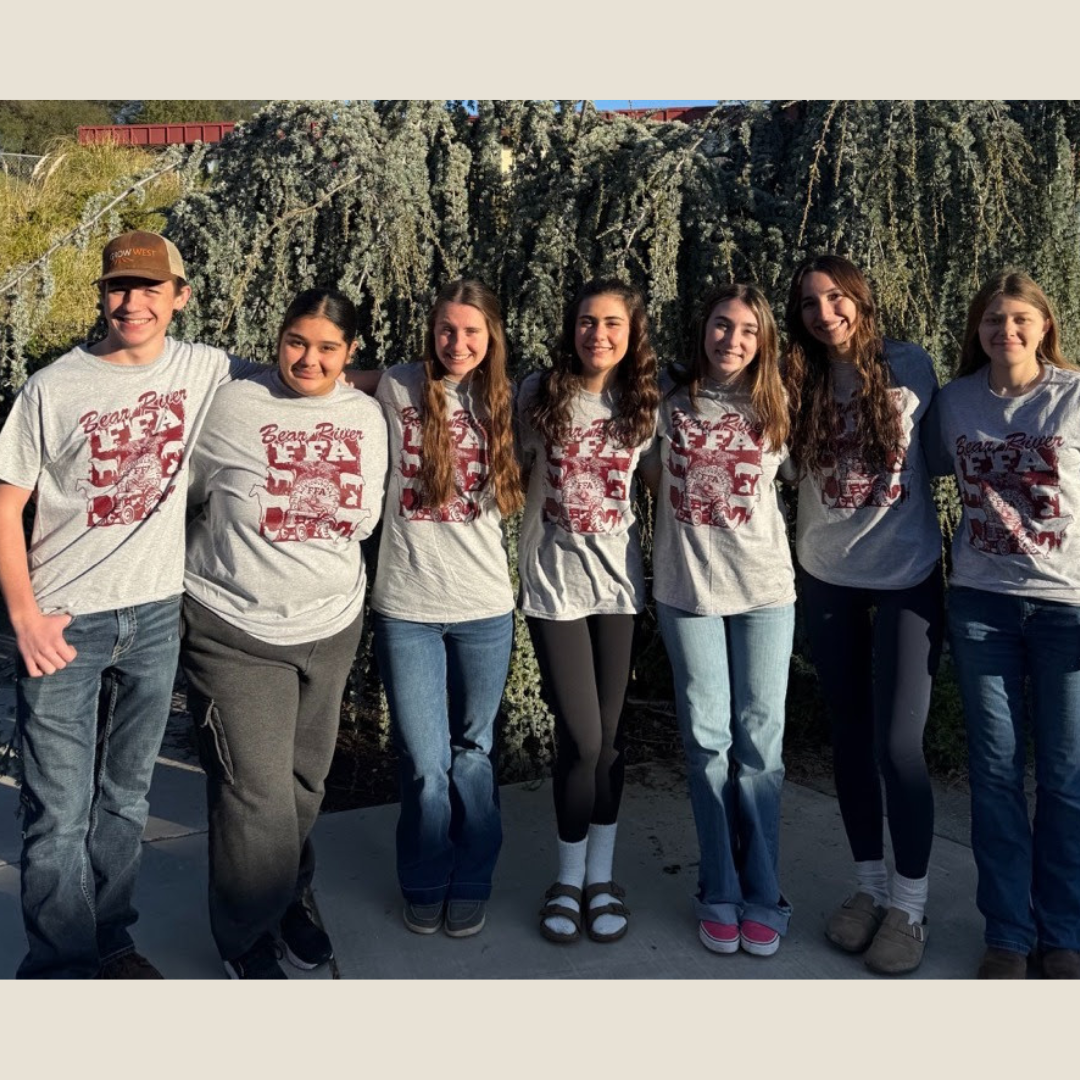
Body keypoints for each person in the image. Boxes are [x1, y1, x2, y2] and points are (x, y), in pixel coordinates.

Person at [0, 231, 261, 978]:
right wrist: (23, 618)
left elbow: (306, 378)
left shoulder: (207, 367)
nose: (133, 302)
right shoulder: (53, 387)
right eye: (120, 287)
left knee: (124, 796)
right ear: (101, 295)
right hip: (63, 622)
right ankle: (60, 965)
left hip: (153, 617)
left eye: (151, 288)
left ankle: (111, 937)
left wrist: (417, 381)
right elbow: (6, 502)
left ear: (180, 295)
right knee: (56, 810)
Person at [180, 288, 387, 979]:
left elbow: (363, 521)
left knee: (304, 783)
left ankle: (289, 895)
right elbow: (189, 494)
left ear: (350, 353)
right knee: (255, 793)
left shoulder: (366, 416)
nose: (310, 358)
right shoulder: (233, 406)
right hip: (234, 626)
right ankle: (245, 934)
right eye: (297, 341)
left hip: (330, 628)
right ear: (278, 338)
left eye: (328, 347)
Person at [784, 254, 943, 975]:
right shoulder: (794, 378)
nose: (826, 314)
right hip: (828, 575)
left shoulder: (913, 366)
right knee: (848, 736)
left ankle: (910, 907)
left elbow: (950, 453)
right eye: (812, 304)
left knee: (899, 745)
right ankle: (868, 889)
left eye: (837, 298)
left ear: (861, 299)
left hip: (906, 576)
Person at [928, 272, 1080, 980]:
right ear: (977, 328)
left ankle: (1064, 933)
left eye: (1020, 319)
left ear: (1045, 325)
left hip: (1067, 607)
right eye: (993, 319)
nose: (1006, 331)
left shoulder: (1075, 396)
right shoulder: (954, 403)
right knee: (993, 773)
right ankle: (1008, 935)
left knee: (1065, 776)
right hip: (982, 605)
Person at [639, 283, 794, 958]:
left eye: (748, 331)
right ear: (701, 328)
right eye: (722, 325)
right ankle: (719, 887)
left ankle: (763, 889)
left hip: (764, 591)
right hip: (687, 592)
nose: (733, 339)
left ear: (763, 341)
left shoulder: (782, 401)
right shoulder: (664, 402)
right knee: (708, 745)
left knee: (760, 748)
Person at [371, 279, 523, 939]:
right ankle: (424, 877)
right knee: (426, 764)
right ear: (429, 331)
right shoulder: (395, 388)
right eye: (445, 330)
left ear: (491, 336)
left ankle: (473, 878)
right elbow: (313, 371)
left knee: (473, 755)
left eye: (471, 331)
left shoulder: (515, 400)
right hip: (406, 608)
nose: (457, 343)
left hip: (485, 609)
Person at [518, 278, 658, 944]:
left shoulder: (645, 407)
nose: (596, 334)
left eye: (611, 324)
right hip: (554, 591)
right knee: (584, 739)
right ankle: (566, 880)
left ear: (632, 335)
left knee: (610, 742)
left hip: (619, 592)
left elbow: (671, 481)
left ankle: (600, 878)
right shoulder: (538, 395)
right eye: (585, 322)